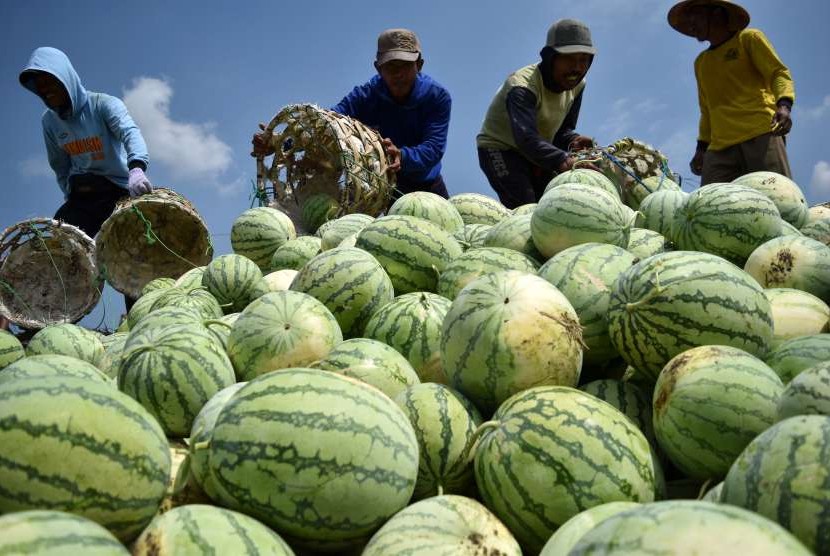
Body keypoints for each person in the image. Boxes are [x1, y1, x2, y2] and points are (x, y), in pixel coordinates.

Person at [19, 46, 154, 313]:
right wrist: (69, 192)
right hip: (82, 194)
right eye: (41, 87)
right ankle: (47, 319)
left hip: (117, 192)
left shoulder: (103, 104)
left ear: (66, 78)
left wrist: (137, 167)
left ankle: (138, 316)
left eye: (52, 82)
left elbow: (130, 133)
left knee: (129, 257)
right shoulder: (50, 122)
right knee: (58, 253)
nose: (47, 91)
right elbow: (59, 163)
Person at [253, 28, 452, 200]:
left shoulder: (437, 97)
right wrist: (284, 143)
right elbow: (325, 124)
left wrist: (403, 155)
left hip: (428, 186)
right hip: (387, 190)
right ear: (378, 68)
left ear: (419, 65)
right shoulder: (366, 95)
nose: (398, 74)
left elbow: (433, 148)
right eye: (391, 67)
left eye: (406, 66)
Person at [668, 0, 795, 185]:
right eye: (688, 19)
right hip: (719, 147)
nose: (691, 23)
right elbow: (707, 109)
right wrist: (701, 148)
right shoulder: (702, 62)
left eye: (695, 15)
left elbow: (778, 73)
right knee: (708, 206)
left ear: (717, 13)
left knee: (778, 198)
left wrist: (784, 105)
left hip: (760, 133)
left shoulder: (749, 39)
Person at [477, 19, 597, 209]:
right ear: (551, 58)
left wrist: (571, 140)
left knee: (553, 207)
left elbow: (562, 131)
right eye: (569, 58)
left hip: (538, 150)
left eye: (583, 60)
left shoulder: (578, 85)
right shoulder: (522, 87)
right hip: (501, 149)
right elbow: (526, 138)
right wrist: (562, 159)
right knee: (528, 209)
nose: (577, 68)